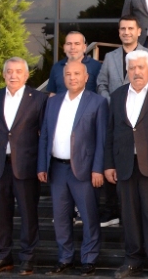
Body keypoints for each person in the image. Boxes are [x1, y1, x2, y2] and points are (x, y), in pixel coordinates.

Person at [104, 51, 148, 279]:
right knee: (129, 215)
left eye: (141, 67)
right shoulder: (117, 95)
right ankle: (133, 260)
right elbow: (110, 131)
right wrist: (109, 164)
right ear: (127, 71)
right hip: (124, 165)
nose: (136, 72)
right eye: (132, 68)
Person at [38, 60, 108, 277]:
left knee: (89, 216)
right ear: (63, 78)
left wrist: (98, 169)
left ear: (86, 77)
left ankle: (89, 259)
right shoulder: (53, 102)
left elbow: (102, 139)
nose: (72, 77)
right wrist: (42, 165)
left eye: (77, 73)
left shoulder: (97, 102)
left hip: (85, 170)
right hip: (57, 168)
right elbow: (45, 135)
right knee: (60, 217)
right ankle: (65, 258)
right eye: (68, 74)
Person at [0, 58, 47, 276]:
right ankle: (2, 257)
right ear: (4, 74)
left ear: (26, 75)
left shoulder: (38, 99)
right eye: (9, 71)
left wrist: (42, 165)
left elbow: (45, 135)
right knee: (1, 215)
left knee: (28, 214)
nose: (13, 75)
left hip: (27, 166)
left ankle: (27, 259)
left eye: (18, 71)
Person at [98, 16, 148, 99]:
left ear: (139, 32)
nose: (126, 32)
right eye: (123, 29)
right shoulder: (110, 57)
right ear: (119, 32)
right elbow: (101, 84)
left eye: (130, 28)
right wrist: (110, 101)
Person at [46, 31, 102, 95]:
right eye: (69, 44)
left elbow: (101, 93)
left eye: (77, 44)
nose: (72, 47)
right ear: (64, 47)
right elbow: (53, 94)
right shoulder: (57, 67)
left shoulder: (96, 67)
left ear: (84, 47)